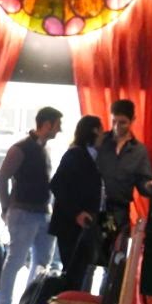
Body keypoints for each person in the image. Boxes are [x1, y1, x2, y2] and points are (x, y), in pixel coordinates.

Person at [0, 106, 63, 304]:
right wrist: (6, 208)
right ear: (47, 124)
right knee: (15, 260)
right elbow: (1, 179)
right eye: (57, 125)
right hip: (23, 212)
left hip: (42, 212)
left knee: (42, 264)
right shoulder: (20, 148)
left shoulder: (44, 148)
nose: (59, 129)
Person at [48, 114, 104, 291]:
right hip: (70, 224)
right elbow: (57, 184)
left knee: (80, 271)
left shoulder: (89, 156)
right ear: (94, 131)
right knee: (73, 272)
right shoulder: (75, 154)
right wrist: (77, 212)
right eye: (101, 131)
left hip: (80, 223)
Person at [96, 98, 152, 229]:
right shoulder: (99, 141)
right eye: (114, 121)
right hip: (93, 207)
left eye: (122, 122)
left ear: (133, 120)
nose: (117, 127)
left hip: (118, 211)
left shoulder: (139, 151)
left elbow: (143, 183)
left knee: (113, 241)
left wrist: (149, 186)